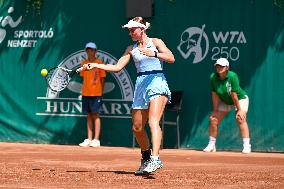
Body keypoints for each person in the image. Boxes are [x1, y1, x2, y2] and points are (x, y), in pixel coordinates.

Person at [80, 17, 175, 174]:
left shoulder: (156, 42)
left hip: (157, 82)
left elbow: (171, 58)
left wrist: (154, 53)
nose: (130, 32)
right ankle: (146, 158)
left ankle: (155, 158)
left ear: (142, 29)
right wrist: (95, 64)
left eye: (133, 29)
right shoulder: (131, 49)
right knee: (137, 128)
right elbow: (117, 67)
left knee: (153, 121)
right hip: (141, 85)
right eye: (129, 30)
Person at [203, 58, 251, 154]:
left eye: (222, 66)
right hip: (225, 100)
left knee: (240, 118)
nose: (219, 68)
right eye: (217, 66)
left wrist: (239, 110)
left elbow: (234, 95)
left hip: (239, 98)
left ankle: (247, 145)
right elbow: (215, 94)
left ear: (227, 67)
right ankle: (211, 145)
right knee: (213, 119)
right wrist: (215, 110)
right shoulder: (213, 77)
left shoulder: (232, 76)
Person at [78, 42, 106, 147]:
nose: (90, 51)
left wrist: (100, 92)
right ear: (86, 51)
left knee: (96, 115)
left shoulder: (99, 63)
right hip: (86, 93)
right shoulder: (83, 64)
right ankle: (89, 139)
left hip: (96, 94)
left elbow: (102, 79)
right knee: (89, 115)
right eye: (88, 49)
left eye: (92, 50)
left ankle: (96, 139)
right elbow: (83, 78)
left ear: (95, 51)